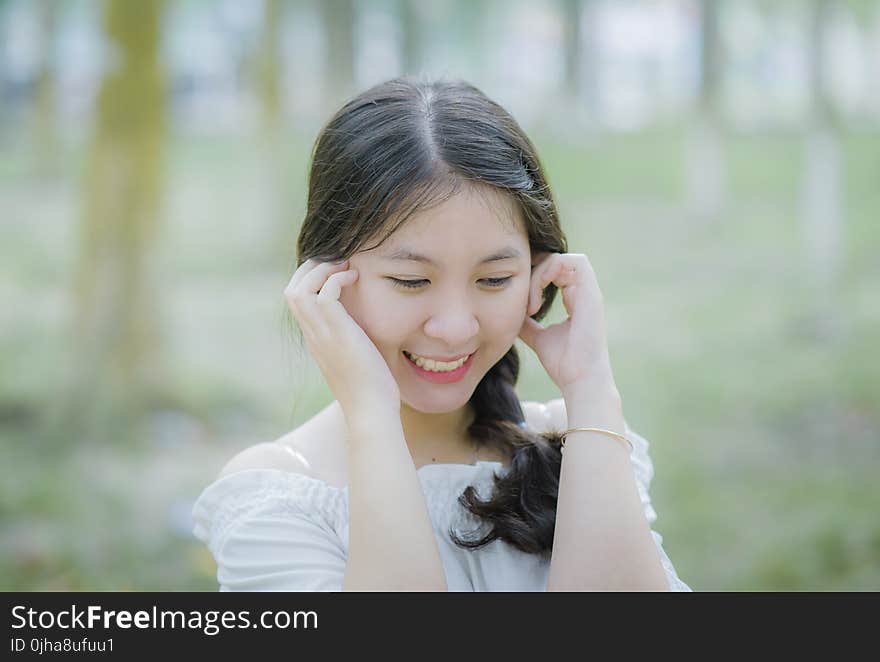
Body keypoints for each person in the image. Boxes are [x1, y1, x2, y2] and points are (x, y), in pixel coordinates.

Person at [192, 75, 692, 592]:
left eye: (494, 279)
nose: (455, 328)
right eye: (411, 281)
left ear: (537, 274)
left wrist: (590, 386)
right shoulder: (279, 493)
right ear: (324, 278)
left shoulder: (582, 442)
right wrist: (371, 415)